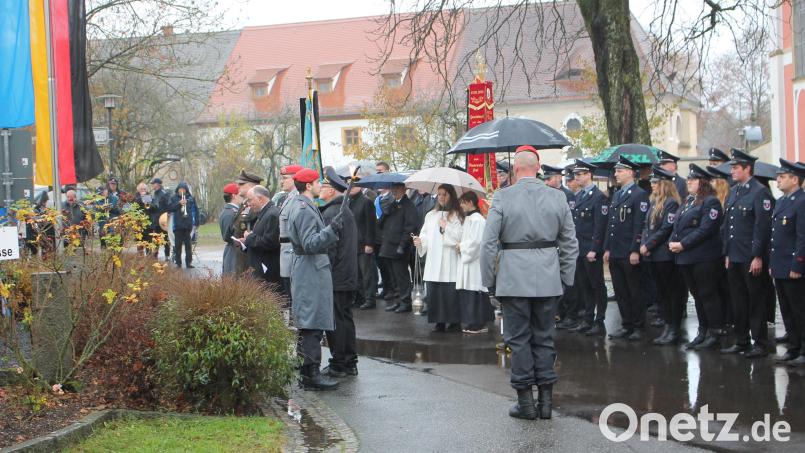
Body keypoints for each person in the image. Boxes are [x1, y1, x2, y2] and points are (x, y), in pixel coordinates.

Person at [481, 145, 578, 420]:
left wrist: (490, 280)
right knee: (544, 338)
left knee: (519, 339)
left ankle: (525, 403)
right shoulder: (557, 197)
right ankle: (545, 402)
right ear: (538, 168)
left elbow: (488, 244)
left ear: (515, 169)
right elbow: (570, 242)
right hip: (548, 277)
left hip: (513, 278)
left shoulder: (502, 197)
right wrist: (565, 278)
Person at [286, 168, 344, 390]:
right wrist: (331, 230)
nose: (321, 185)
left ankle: (307, 370)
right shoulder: (303, 210)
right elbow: (310, 243)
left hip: (309, 269)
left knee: (310, 320)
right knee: (312, 322)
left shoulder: (302, 205)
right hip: (311, 270)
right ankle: (311, 373)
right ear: (309, 186)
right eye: (318, 182)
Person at [720, 148, 774, 358]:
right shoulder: (734, 191)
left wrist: (758, 255)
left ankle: (759, 342)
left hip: (750, 257)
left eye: (736, 168)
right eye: (732, 167)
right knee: (738, 300)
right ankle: (741, 340)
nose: (732, 171)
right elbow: (728, 226)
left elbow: (762, 227)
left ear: (747, 169)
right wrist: (727, 253)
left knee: (755, 300)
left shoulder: (759, 192)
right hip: (734, 256)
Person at [669, 164, 725, 349]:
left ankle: (715, 332)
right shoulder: (688, 202)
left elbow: (706, 229)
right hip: (687, 258)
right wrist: (673, 241)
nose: (689, 182)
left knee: (708, 295)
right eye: (689, 179)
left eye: (693, 180)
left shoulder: (710, 201)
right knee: (698, 296)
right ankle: (703, 331)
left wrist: (683, 244)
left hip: (704, 258)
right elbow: (677, 227)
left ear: (703, 182)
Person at [318, 167, 359, 377]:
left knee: (336, 322)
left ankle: (340, 363)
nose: (320, 188)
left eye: (323, 186)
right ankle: (349, 361)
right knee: (344, 319)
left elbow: (329, 249)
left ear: (332, 191)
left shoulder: (332, 213)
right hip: (346, 275)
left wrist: (323, 274)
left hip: (336, 276)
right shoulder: (342, 210)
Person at [603, 156, 649, 341]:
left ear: (630, 172)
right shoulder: (618, 194)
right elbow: (611, 224)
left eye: (620, 171)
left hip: (629, 251)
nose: (616, 174)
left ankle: (638, 325)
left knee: (634, 290)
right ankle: (626, 324)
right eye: (616, 171)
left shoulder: (639, 194)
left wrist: (635, 250)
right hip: (616, 251)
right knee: (621, 290)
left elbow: (639, 224)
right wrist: (607, 248)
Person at [639, 165, 684, 345]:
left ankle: (673, 328)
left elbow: (666, 228)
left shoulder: (671, 203)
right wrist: (644, 243)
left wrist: (649, 244)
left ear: (664, 184)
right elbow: (646, 226)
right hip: (652, 254)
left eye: (655, 182)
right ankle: (667, 325)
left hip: (664, 254)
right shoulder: (654, 202)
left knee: (670, 292)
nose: (652, 184)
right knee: (662, 293)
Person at [769, 159, 805, 366]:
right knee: (787, 310)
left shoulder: (801, 202)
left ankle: (803, 349)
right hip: (780, 265)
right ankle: (793, 347)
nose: (778, 180)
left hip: (793, 266)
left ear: (795, 179)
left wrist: (797, 265)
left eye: (782, 177)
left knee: (799, 310)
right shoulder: (782, 201)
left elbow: (802, 237)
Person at [414, 184, 463, 330]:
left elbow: (459, 237)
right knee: (436, 291)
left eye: (445, 194)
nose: (441, 197)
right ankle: (439, 321)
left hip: (450, 258)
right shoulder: (431, 215)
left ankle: (454, 321)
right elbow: (425, 234)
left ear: (451, 196)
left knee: (450, 291)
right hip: (434, 258)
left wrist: (445, 227)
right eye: (439, 194)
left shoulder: (457, 215)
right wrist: (420, 240)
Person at [570, 160, 609, 336]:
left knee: (596, 285)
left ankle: (599, 321)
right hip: (579, 248)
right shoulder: (579, 196)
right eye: (576, 175)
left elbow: (600, 226)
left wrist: (595, 248)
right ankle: (588, 318)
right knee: (584, 285)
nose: (576, 177)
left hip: (591, 249)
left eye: (579, 174)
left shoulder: (598, 196)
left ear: (588, 175)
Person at [544, 164, 580, 329]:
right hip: (551, 245)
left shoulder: (567, 195)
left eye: (549, 179)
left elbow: (569, 224)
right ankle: (558, 313)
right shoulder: (545, 194)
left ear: (558, 178)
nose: (546, 182)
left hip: (564, 244)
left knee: (569, 283)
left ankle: (571, 315)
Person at [455, 191, 494, 333]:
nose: (461, 205)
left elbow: (477, 242)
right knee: (469, 291)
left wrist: (462, 247)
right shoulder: (469, 219)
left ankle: (479, 323)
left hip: (475, 261)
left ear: (470, 203)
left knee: (475, 291)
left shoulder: (477, 220)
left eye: (462, 202)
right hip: (469, 260)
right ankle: (472, 322)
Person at [379, 182, 418, 313]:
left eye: (396, 188)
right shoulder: (392, 204)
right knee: (393, 276)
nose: (394, 191)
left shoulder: (408, 206)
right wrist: (385, 213)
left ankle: (405, 301)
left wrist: (402, 245)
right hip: (388, 246)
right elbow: (381, 224)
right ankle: (398, 300)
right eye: (392, 188)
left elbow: (410, 228)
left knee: (401, 276)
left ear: (404, 189)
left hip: (399, 247)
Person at [238, 185, 282, 287]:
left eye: (250, 200)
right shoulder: (264, 213)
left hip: (268, 272)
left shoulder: (272, 215)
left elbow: (270, 242)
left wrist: (249, 237)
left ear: (260, 199)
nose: (248, 204)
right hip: (260, 269)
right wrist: (245, 243)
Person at [350, 178, 379, 310]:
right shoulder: (349, 202)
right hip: (353, 244)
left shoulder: (366, 202)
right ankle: (360, 297)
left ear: (361, 187)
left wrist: (370, 243)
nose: (351, 187)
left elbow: (371, 225)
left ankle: (370, 298)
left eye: (354, 185)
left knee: (367, 273)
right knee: (357, 274)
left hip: (364, 244)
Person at [278, 165, 303, 297]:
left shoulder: (297, 199)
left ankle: (295, 318)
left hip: (292, 252)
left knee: (293, 294)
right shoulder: (286, 198)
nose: (282, 181)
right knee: (288, 293)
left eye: (285, 178)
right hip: (286, 251)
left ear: (294, 179)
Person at [232, 170, 263, 274]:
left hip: (251, 258)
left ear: (251, 186)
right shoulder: (244, 204)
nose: (238, 186)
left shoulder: (257, 205)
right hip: (242, 256)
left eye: (241, 184)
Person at [166, 182, 198, 268]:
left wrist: (197, 222)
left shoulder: (190, 198)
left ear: (186, 190)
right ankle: (178, 263)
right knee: (177, 246)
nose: (182, 191)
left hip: (188, 224)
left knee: (188, 245)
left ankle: (189, 263)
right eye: (180, 189)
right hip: (177, 225)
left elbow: (195, 210)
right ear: (178, 190)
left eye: (184, 189)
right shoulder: (173, 198)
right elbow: (170, 208)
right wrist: (179, 203)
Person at [219, 183, 241, 275]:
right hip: (233, 250)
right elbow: (227, 236)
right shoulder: (230, 213)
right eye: (240, 194)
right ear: (234, 195)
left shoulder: (230, 211)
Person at [150, 178, 171, 259]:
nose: (152, 185)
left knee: (165, 238)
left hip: (163, 220)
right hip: (156, 220)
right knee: (156, 238)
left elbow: (169, 205)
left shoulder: (164, 193)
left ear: (158, 184)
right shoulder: (155, 194)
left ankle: (167, 256)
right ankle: (155, 255)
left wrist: (166, 217)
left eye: (153, 183)